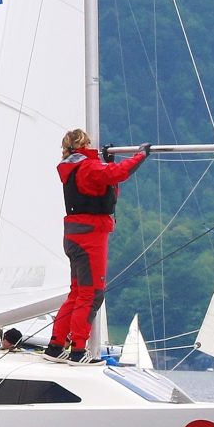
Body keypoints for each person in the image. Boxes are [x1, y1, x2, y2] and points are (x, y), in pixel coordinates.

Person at [54, 129, 149, 361]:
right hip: (90, 236)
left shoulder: (72, 167)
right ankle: (78, 350)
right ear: (83, 145)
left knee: (77, 293)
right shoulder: (87, 167)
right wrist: (141, 156)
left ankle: (55, 345)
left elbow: (106, 185)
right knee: (91, 294)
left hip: (74, 235)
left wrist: (108, 161)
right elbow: (119, 173)